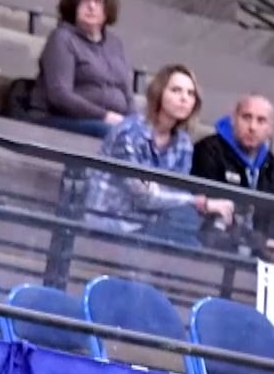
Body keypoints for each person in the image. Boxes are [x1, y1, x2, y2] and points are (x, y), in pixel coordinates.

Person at [81, 63, 232, 245]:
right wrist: (202, 203)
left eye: (190, 94)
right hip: (109, 222)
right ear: (159, 94)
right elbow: (144, 196)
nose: (184, 98)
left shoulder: (183, 144)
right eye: (176, 90)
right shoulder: (129, 133)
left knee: (192, 230)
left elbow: (173, 195)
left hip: (148, 224)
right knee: (187, 238)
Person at [191, 93, 274, 267]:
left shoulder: (272, 166)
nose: (252, 127)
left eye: (261, 121)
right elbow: (214, 214)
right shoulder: (209, 150)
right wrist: (262, 243)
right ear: (234, 119)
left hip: (256, 253)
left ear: (270, 129)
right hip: (213, 249)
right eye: (246, 117)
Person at [27, 0, 133, 137]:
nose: (92, 6)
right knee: (114, 134)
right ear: (74, 4)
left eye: (98, 1)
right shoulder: (62, 39)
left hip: (109, 122)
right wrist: (104, 116)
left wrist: (136, 123)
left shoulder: (115, 45)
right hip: (62, 119)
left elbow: (127, 95)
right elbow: (60, 95)